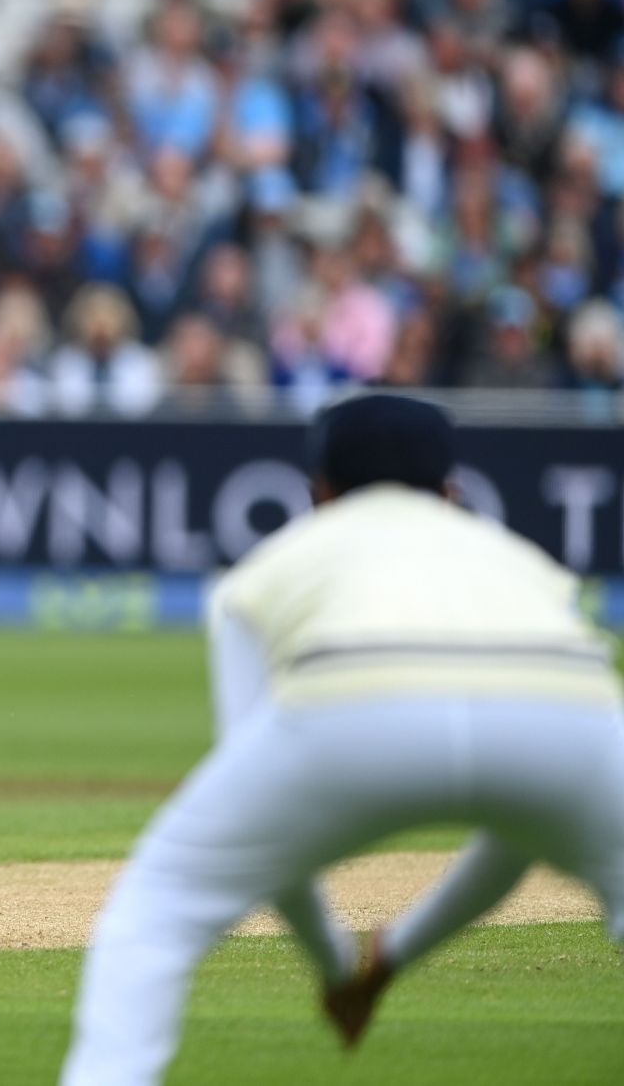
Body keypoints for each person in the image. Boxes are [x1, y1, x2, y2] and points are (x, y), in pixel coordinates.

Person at [62, 393, 624, 1084]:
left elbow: (274, 840)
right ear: (451, 492)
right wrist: (388, 959)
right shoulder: (525, 565)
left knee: (157, 912)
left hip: (354, 703)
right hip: (567, 710)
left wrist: (335, 965)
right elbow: (522, 834)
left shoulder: (269, 569)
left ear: (317, 490)